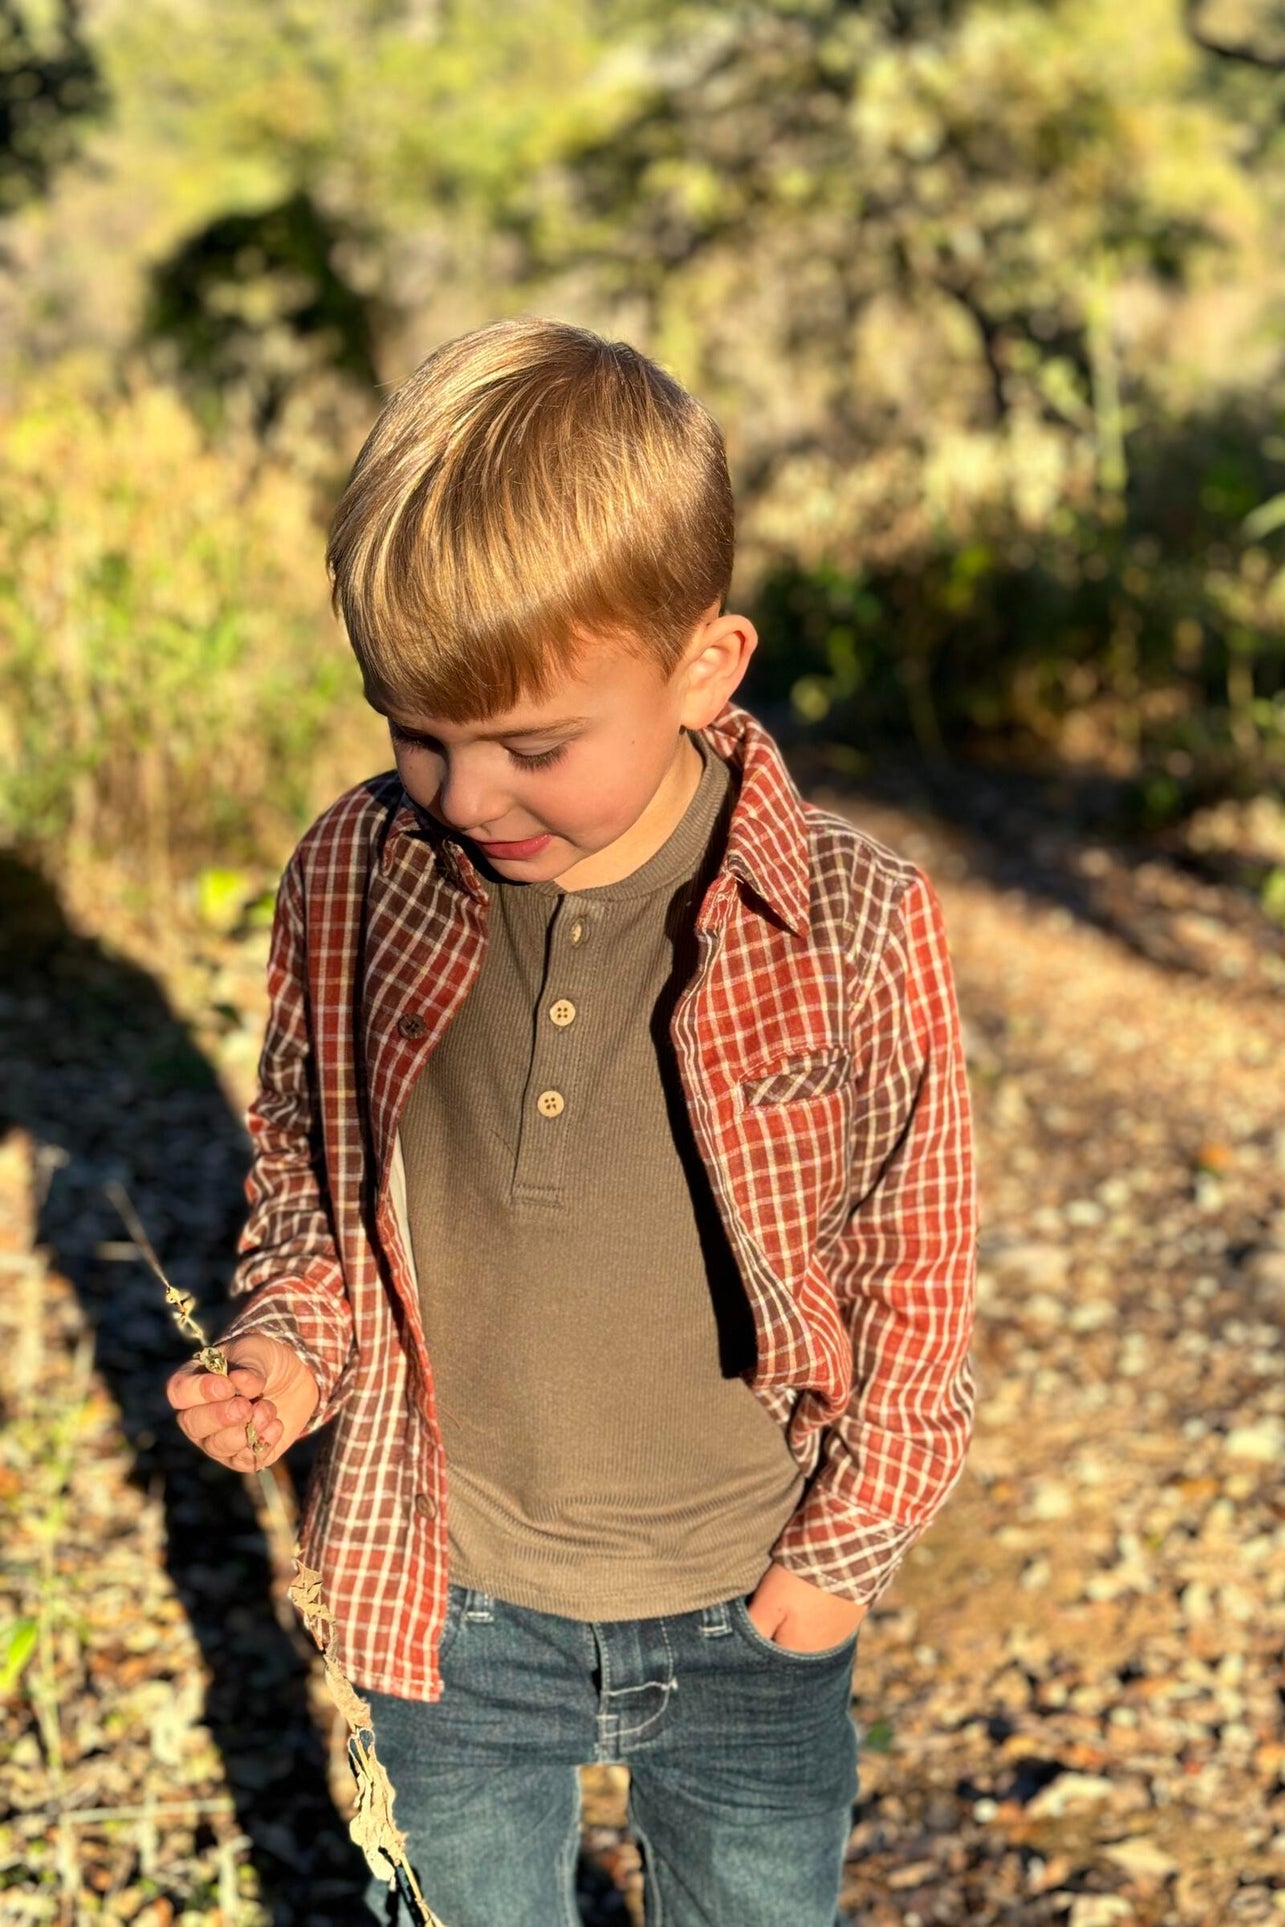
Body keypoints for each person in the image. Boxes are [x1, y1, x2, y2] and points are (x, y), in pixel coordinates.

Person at [166, 316, 980, 1927]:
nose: (465, 797)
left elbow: (917, 1282)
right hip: (447, 1601)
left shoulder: (853, 922)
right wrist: (283, 1348)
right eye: (416, 733)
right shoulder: (358, 873)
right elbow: (317, 1192)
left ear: (701, 669)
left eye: (534, 746)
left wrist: (821, 1585)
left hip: (748, 1607)